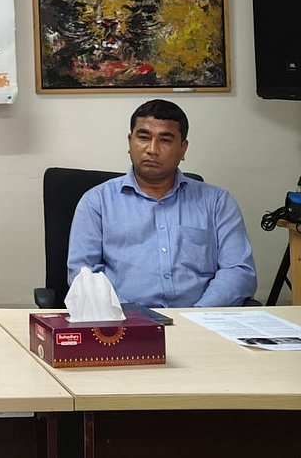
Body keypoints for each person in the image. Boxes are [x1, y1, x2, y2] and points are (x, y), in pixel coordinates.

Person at [66, 99, 256, 307]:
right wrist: (133, 318)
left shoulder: (217, 202)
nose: (152, 149)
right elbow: (83, 275)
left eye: (165, 140)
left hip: (203, 322)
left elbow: (239, 271)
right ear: (130, 142)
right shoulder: (97, 202)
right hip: (122, 326)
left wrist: (199, 315)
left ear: (183, 148)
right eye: (143, 137)